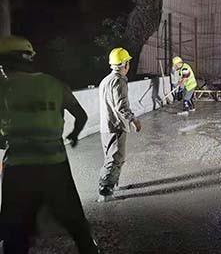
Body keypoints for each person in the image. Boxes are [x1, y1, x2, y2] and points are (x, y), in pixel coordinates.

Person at [0, 36, 99, 253]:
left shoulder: (3, 89)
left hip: (18, 171)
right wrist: (73, 135)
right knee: (77, 224)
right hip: (55, 167)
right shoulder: (53, 84)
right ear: (28, 59)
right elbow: (80, 116)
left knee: (15, 235)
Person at [98, 47, 142, 202]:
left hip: (106, 126)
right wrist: (134, 120)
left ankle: (113, 185)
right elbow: (121, 107)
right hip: (115, 126)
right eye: (128, 62)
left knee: (111, 157)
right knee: (116, 158)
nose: (129, 65)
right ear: (124, 64)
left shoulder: (106, 80)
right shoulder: (119, 80)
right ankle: (105, 193)